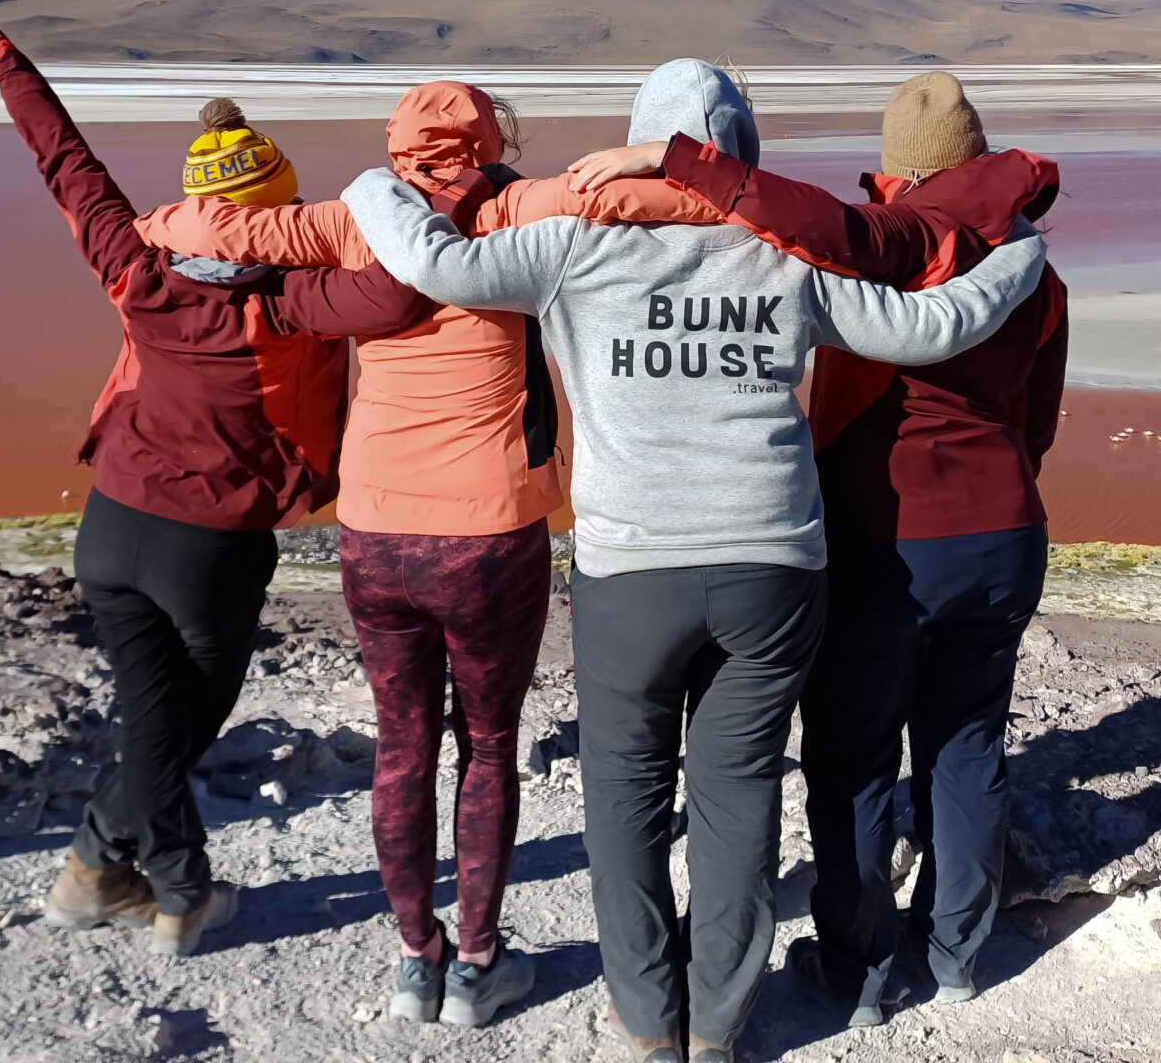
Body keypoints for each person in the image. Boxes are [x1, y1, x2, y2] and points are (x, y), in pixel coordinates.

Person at [341, 59, 1049, 1063]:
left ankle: (646, 1020)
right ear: (738, 154)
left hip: (630, 572)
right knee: (736, 795)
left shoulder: (570, 247)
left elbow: (429, 262)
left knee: (624, 799)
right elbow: (929, 327)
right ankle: (718, 1022)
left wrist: (373, 182)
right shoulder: (786, 259)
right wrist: (1014, 257)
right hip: (771, 574)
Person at [131, 80, 722, 1026]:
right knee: (487, 746)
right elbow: (682, 206)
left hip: (374, 530)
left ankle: (418, 960)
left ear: (398, 146)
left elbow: (203, 230)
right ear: (487, 139)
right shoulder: (517, 205)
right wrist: (660, 161)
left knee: (401, 745)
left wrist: (186, 235)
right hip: (488, 531)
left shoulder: (348, 221)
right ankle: (480, 963)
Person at [0, 0, 438, 958]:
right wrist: (378, 197)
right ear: (275, 211)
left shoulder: (138, 267)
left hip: (110, 527)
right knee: (174, 726)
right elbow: (404, 285)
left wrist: (1, 56)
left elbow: (66, 164)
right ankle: (177, 892)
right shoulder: (294, 301)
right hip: (211, 547)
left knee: (158, 725)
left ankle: (93, 874)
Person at [566, 68, 1066, 1025]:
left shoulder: (858, 253)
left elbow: (847, 387)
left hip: (886, 540)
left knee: (856, 755)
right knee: (967, 746)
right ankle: (958, 953)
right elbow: (1035, 421)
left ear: (896, 169)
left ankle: (860, 971)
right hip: (1002, 532)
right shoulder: (1036, 275)